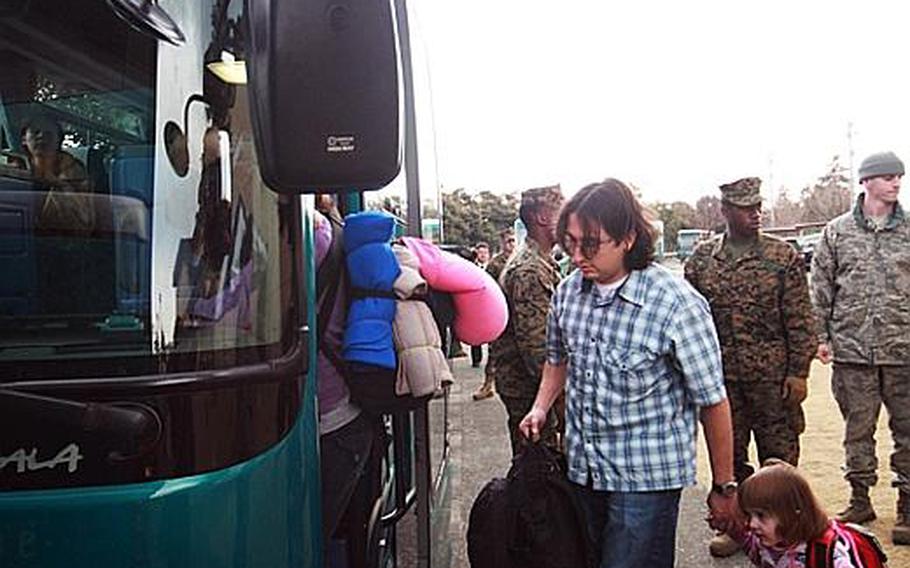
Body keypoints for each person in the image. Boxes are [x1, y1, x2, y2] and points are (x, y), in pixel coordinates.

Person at [519, 179, 736, 568]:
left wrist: (724, 485)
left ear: (629, 238)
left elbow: (712, 400)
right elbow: (557, 358)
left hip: (645, 481)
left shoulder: (675, 304)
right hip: (584, 470)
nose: (577, 255)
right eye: (569, 242)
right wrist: (540, 407)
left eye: (590, 244)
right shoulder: (569, 293)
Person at [685, 176, 817, 557]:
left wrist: (799, 373)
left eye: (758, 206)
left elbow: (799, 319)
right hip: (722, 382)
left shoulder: (782, 256)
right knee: (732, 458)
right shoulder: (701, 261)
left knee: (779, 459)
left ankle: (790, 534)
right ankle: (743, 531)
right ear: (726, 211)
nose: (755, 213)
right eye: (746, 208)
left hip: (774, 379)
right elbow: (692, 322)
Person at [811, 150, 910, 545]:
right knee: (857, 430)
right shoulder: (837, 232)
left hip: (904, 350)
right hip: (853, 353)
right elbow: (820, 287)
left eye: (899, 176)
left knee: (907, 430)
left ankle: (907, 504)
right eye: (887, 177)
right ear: (866, 182)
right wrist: (820, 337)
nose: (896, 183)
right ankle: (860, 499)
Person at [313, 197, 378, 565]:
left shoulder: (314, 236)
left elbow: (237, 303)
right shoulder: (328, 232)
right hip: (335, 418)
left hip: (335, 420)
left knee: (316, 536)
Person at [492, 185, 565, 455]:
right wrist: (558, 401)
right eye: (562, 212)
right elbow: (538, 350)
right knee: (540, 477)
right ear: (542, 218)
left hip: (531, 390)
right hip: (530, 391)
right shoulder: (530, 270)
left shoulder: (540, 262)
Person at [723, 460, 884, 567]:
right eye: (749, 515)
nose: (752, 524)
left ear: (793, 513)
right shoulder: (773, 544)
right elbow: (755, 552)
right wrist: (732, 529)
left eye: (761, 516)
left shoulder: (827, 554)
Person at [22, 115, 95, 234]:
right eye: (36, 132)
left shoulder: (76, 173)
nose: (41, 136)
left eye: (48, 134)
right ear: (24, 139)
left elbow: (84, 222)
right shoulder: (13, 171)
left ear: (59, 140)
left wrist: (60, 185)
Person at [473, 228, 517, 400]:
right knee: (494, 350)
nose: (512, 245)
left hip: (517, 313)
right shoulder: (496, 264)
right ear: (502, 243)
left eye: (514, 240)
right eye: (508, 241)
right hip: (501, 312)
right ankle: (487, 384)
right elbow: (488, 289)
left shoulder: (519, 259)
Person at [470, 241, 492, 368]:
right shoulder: (471, 267)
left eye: (485, 253)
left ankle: (491, 359)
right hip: (476, 305)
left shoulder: (493, 267)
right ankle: (476, 359)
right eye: (481, 252)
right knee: (476, 332)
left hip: (490, 305)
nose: (483, 255)